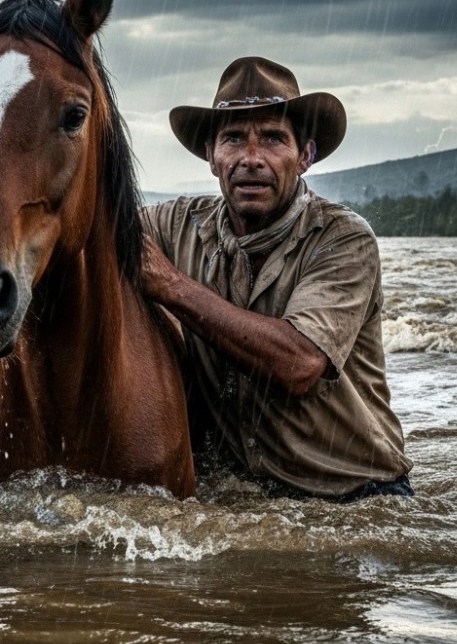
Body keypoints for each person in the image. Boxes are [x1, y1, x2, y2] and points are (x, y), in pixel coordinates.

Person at [141, 56, 413, 500]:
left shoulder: (343, 240)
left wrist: (169, 285)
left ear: (305, 156)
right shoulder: (177, 225)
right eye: (233, 139)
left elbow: (299, 362)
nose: (252, 159)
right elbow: (93, 228)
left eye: (272, 138)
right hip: (239, 494)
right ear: (211, 157)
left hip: (356, 497)